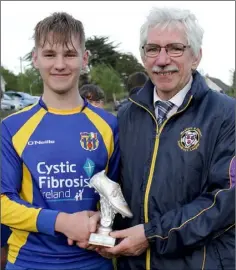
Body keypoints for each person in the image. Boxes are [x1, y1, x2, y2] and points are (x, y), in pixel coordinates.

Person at [96, 7, 235, 270]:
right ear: (143, 56)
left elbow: (226, 201)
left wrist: (151, 235)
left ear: (196, 57)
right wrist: (102, 226)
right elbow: (114, 189)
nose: (162, 59)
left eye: (174, 48)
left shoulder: (227, 115)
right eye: (152, 49)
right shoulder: (127, 115)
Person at [1, 12, 120, 270]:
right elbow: (2, 203)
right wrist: (61, 222)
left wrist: (104, 222)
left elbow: (120, 193)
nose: (59, 64)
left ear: (84, 58)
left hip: (94, 262)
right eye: (49, 54)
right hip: (29, 261)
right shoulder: (11, 127)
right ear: (35, 58)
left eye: (69, 54)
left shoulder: (109, 125)